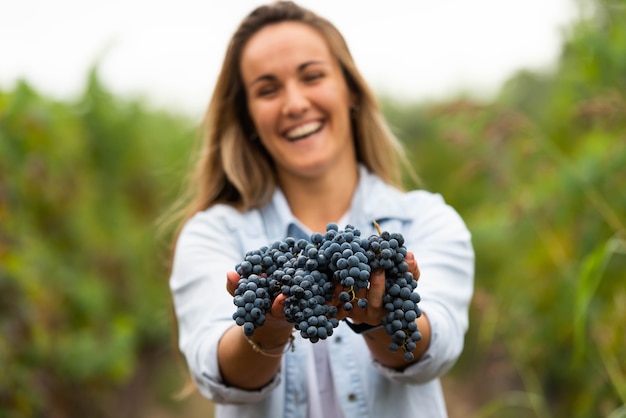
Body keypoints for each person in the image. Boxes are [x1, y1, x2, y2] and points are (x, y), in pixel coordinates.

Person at [167, 1, 474, 417]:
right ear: (248, 117)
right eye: (268, 89)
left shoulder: (427, 221)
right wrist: (268, 333)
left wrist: (377, 319)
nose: (294, 103)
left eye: (312, 76)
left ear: (350, 89)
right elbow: (216, 372)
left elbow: (434, 350)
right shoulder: (213, 234)